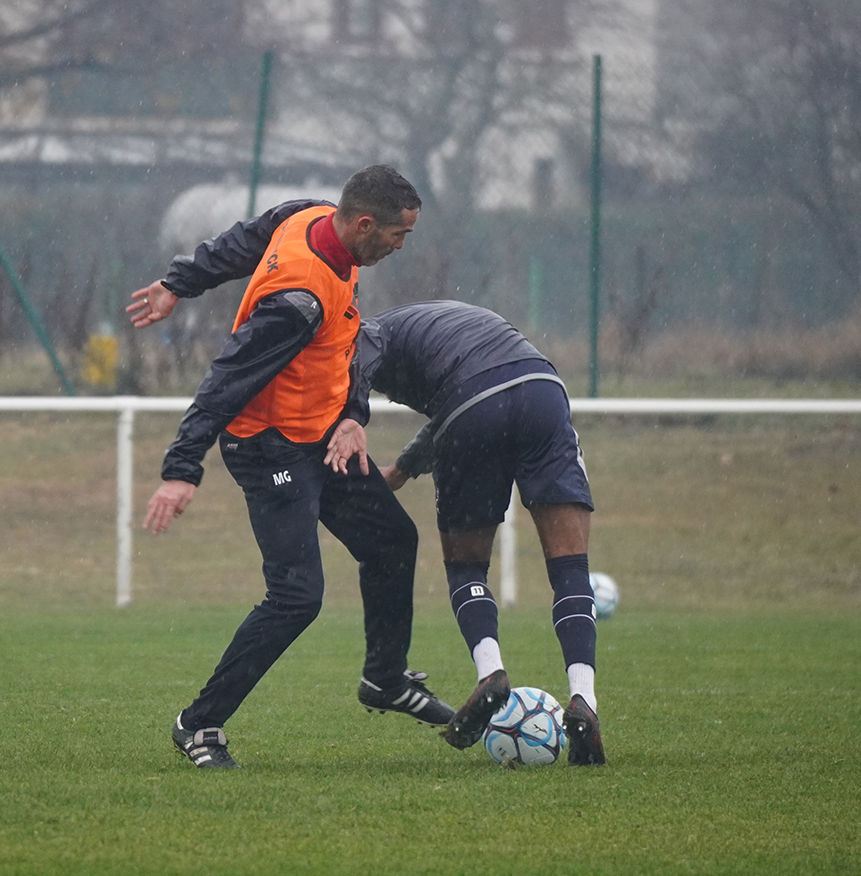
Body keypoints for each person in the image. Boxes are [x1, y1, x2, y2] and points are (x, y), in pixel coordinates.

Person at [126, 165, 454, 769]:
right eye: (398, 235)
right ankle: (199, 725)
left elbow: (240, 243)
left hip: (324, 437)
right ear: (364, 224)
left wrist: (179, 283)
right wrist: (181, 469)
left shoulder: (310, 216)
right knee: (296, 596)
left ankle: (384, 679)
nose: (401, 246)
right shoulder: (296, 302)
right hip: (268, 449)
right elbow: (225, 381)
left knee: (392, 541)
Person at [331, 299, 606, 766]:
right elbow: (462, 396)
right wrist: (403, 469)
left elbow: (461, 399)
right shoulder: (439, 323)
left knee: (466, 567)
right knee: (570, 567)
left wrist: (352, 412)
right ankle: (584, 699)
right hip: (541, 389)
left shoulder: (362, 334)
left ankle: (490, 673)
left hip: (472, 407)